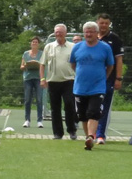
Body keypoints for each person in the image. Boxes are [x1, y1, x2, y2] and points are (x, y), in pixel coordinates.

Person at [70, 21, 114, 151]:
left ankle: (91, 136)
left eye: (91, 32)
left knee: (93, 113)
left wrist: (103, 78)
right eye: (86, 32)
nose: (88, 34)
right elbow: (73, 64)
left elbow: (110, 65)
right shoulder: (77, 47)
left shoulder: (105, 48)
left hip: (98, 87)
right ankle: (88, 139)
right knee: (83, 115)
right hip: (80, 88)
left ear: (96, 33)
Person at [40, 24, 78, 140]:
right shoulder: (49, 47)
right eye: (56, 32)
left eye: (61, 32)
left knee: (69, 105)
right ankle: (58, 133)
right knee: (55, 108)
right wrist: (42, 79)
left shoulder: (73, 46)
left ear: (65, 33)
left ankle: (72, 130)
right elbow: (42, 64)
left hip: (69, 80)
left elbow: (78, 63)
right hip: (53, 81)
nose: (58, 34)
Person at [95, 13, 124, 145]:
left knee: (104, 106)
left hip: (109, 79)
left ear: (109, 24)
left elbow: (119, 60)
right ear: (97, 23)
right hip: (92, 79)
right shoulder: (92, 37)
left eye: (106, 23)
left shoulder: (115, 39)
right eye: (102, 23)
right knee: (92, 106)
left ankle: (101, 135)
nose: (104, 26)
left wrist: (118, 78)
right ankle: (91, 132)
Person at [20, 36, 44, 129]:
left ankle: (39, 121)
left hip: (38, 78)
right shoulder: (26, 54)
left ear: (38, 44)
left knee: (39, 99)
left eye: (36, 42)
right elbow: (21, 66)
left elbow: (43, 65)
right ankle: (27, 120)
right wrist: (26, 65)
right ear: (31, 44)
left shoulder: (41, 53)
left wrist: (37, 64)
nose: (34, 43)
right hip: (28, 78)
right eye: (33, 42)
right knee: (27, 99)